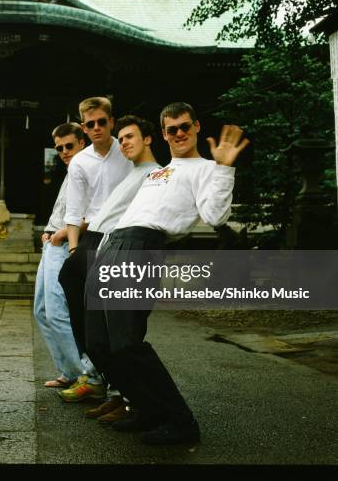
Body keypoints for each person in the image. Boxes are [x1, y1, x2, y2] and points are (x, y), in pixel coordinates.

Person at [85, 102, 249, 445]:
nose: (179, 133)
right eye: (172, 129)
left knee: (127, 343)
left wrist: (224, 167)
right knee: (100, 344)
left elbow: (216, 216)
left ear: (196, 126)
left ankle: (181, 421)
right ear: (163, 134)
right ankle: (148, 410)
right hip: (113, 247)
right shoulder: (160, 172)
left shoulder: (206, 169)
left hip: (142, 246)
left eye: (184, 126)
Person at [78, 114, 160, 422]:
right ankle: (121, 394)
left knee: (126, 338)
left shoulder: (156, 175)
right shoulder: (133, 172)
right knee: (101, 340)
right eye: (122, 138)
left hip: (130, 256)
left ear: (148, 138)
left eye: (130, 136)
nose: (123, 142)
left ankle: (136, 402)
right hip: (105, 253)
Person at [57, 97, 132, 402]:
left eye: (102, 122)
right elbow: (73, 213)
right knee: (69, 278)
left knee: (112, 309)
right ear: (83, 128)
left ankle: (122, 387)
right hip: (93, 234)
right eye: (90, 124)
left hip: (125, 232)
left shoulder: (127, 149)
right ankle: (99, 368)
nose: (97, 128)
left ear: (112, 122)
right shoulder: (80, 161)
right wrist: (74, 250)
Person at [34, 122, 91, 389]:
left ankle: (86, 375)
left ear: (82, 142)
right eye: (59, 148)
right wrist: (48, 232)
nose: (65, 151)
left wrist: (62, 235)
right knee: (42, 311)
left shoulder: (90, 168)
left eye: (70, 145)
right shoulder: (71, 172)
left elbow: (95, 214)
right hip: (52, 241)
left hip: (64, 242)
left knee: (58, 311)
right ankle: (68, 370)